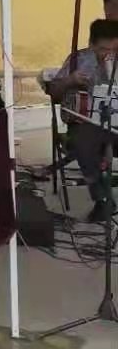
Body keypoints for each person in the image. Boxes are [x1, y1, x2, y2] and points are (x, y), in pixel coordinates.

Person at [45, 17, 118, 222]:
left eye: (114, 49)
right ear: (91, 44)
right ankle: (103, 200)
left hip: (116, 126)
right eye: (103, 49)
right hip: (86, 125)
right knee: (84, 143)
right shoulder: (78, 60)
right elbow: (53, 92)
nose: (109, 55)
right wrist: (69, 80)